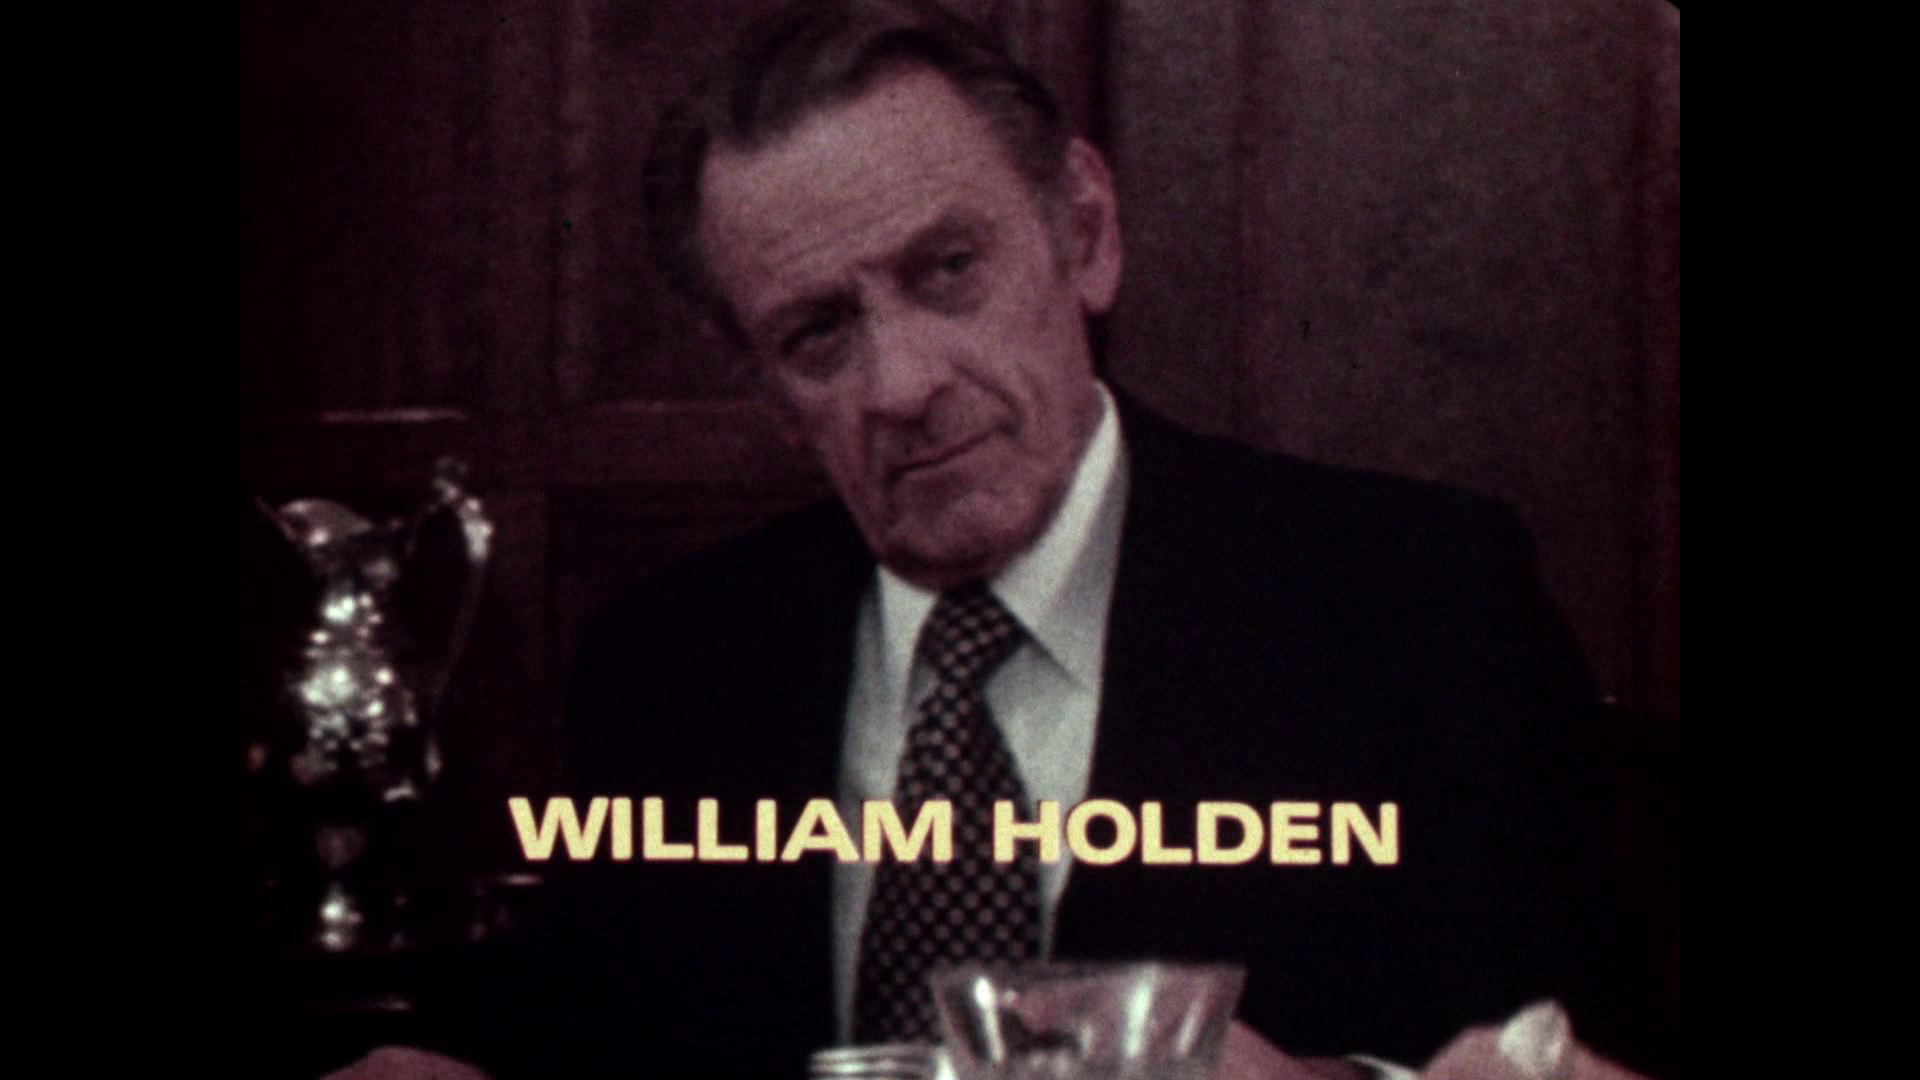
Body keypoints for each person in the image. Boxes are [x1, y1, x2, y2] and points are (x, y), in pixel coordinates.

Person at [336, 2, 1672, 1077]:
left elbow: (1582, 1043)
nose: (903, 382)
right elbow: (596, 1026)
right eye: (819, 332)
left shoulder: (1413, 600)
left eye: (948, 270)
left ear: (1084, 234)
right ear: (767, 391)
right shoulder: (672, 664)